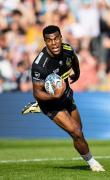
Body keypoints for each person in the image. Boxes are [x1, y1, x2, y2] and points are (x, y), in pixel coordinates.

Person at [22, 25, 105, 172]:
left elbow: (74, 60)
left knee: (79, 132)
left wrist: (77, 73)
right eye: (49, 40)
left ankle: (89, 159)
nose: (53, 43)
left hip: (66, 96)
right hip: (50, 104)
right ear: (45, 42)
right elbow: (37, 92)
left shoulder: (67, 49)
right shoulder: (40, 65)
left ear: (61, 38)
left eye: (56, 39)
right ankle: (93, 164)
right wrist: (53, 95)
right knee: (76, 132)